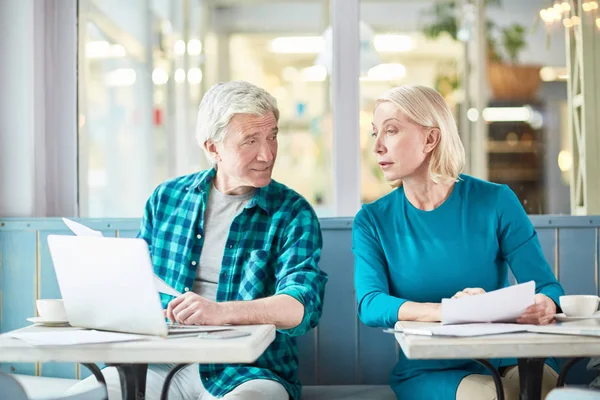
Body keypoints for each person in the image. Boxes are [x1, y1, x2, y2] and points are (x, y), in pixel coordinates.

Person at [71, 80, 328, 400]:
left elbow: (300, 308)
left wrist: (220, 312)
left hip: (248, 371)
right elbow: (135, 286)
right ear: (212, 148)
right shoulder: (166, 199)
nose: (267, 153)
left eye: (272, 136)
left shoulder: (292, 213)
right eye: (250, 140)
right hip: (158, 366)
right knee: (81, 395)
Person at [353, 85, 564, 400]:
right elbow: (370, 304)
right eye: (375, 134)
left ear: (431, 139)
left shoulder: (496, 201)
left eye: (392, 131)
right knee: (494, 396)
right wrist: (451, 310)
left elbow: (549, 288)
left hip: (510, 354)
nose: (378, 147)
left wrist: (546, 305)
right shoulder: (373, 220)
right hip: (430, 368)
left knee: (542, 389)